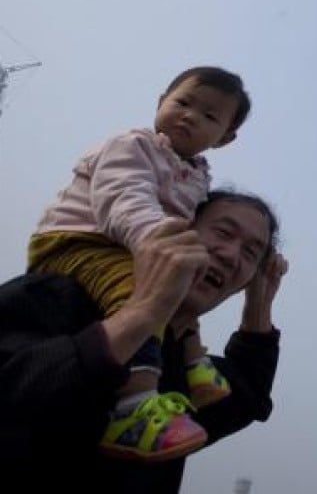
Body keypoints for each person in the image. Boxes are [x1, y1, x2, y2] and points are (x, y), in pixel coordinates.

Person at [25, 65, 251, 460]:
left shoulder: (197, 176)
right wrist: (155, 240)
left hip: (133, 244)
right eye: (182, 102)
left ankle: (194, 364)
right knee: (145, 293)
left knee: (180, 289)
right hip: (80, 240)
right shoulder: (133, 146)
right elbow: (122, 198)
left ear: (225, 138)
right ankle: (134, 408)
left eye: (210, 116)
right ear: (161, 101)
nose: (190, 115)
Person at [0, 189, 287, 493]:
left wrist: (259, 305)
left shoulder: (183, 367)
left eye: (251, 254)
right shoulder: (56, 294)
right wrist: (144, 311)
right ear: (174, 229)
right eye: (223, 232)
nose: (230, 256)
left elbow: (244, 399)